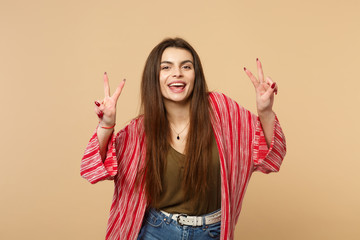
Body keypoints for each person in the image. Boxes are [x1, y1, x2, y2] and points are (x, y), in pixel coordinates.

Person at [81, 37, 286, 240]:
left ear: (196, 75)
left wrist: (265, 111)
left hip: (212, 232)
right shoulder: (140, 130)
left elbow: (269, 156)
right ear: (154, 76)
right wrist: (106, 124)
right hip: (156, 230)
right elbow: (94, 169)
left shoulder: (222, 110)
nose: (177, 73)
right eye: (166, 67)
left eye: (186, 66)